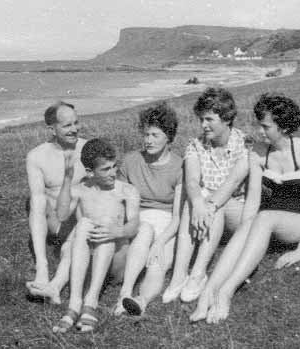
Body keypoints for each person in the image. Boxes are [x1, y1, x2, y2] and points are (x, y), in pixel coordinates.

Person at [191, 93, 300, 324]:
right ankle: (208, 291)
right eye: (259, 125)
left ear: (283, 127)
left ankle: (226, 292)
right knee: (251, 222)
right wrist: (244, 231)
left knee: (263, 218)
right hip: (270, 219)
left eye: (265, 126)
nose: (260, 131)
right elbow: (253, 200)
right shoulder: (258, 153)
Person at [162, 87, 250, 304]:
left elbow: (233, 182)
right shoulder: (195, 145)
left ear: (227, 119)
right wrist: (199, 203)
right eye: (201, 119)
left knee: (212, 202)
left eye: (209, 119)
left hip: (237, 214)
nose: (203, 125)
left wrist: (207, 204)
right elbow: (191, 180)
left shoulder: (244, 144)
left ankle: (198, 273)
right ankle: (179, 276)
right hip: (207, 216)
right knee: (197, 197)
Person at [53, 138, 140, 333]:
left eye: (114, 166)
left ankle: (90, 300)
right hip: (88, 263)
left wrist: (118, 230)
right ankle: (75, 303)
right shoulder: (81, 190)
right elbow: (61, 215)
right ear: (90, 172)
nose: (113, 173)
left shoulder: (126, 191)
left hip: (116, 261)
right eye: (106, 169)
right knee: (83, 223)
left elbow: (134, 225)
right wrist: (67, 179)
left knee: (106, 224)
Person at [114, 102, 184, 316]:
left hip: (167, 223)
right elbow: (120, 200)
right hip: (138, 218)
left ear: (168, 137)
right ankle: (125, 292)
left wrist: (160, 242)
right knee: (144, 233)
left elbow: (178, 216)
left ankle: (141, 301)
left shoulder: (180, 166)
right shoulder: (130, 161)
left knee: (157, 263)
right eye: (146, 135)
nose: (149, 140)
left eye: (155, 135)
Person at [25, 102, 87, 303]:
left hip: (78, 221)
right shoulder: (37, 156)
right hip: (53, 222)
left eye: (76, 123)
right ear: (52, 129)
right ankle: (42, 268)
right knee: (37, 200)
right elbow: (37, 200)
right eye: (67, 125)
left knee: (74, 243)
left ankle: (55, 286)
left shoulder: (86, 149)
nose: (74, 129)